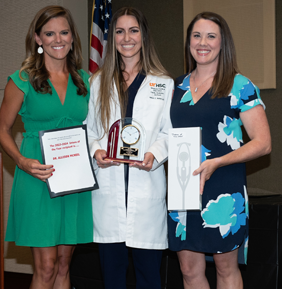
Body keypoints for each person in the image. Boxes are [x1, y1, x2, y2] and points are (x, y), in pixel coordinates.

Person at [168, 12, 271, 289]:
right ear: (189, 42)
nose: (203, 42)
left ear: (223, 43)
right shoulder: (174, 87)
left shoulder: (240, 85)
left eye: (211, 36)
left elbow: (263, 143)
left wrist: (217, 162)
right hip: (183, 188)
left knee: (226, 269)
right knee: (188, 270)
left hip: (224, 187)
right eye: (196, 35)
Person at [0, 6, 93, 289]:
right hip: (37, 176)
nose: (58, 39)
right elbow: (1, 130)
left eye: (64, 32)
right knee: (46, 267)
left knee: (64, 265)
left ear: (73, 37)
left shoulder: (84, 80)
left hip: (74, 181)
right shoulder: (22, 80)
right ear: (38, 38)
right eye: (49, 33)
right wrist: (21, 161)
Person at [85, 7, 174, 289]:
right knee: (112, 278)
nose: (126, 38)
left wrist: (154, 155)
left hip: (146, 188)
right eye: (119, 31)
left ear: (143, 36)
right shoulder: (98, 82)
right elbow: (91, 130)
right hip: (109, 192)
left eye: (133, 30)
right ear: (112, 38)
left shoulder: (164, 83)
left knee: (149, 277)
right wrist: (97, 151)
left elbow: (170, 132)